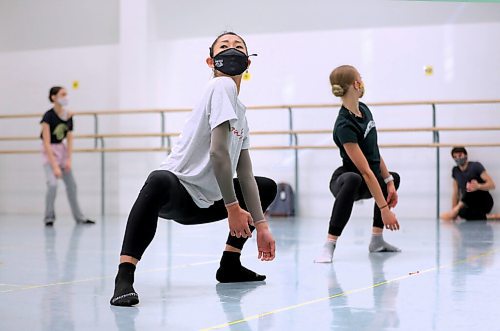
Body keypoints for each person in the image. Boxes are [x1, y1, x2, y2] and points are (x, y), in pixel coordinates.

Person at [110, 32, 277, 306]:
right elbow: (217, 152)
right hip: (179, 193)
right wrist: (233, 207)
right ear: (211, 61)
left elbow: (245, 174)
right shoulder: (220, 87)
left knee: (266, 186)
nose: (232, 50)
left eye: (239, 47)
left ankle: (230, 265)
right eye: (225, 46)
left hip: (208, 200)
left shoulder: (241, 112)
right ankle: (124, 277)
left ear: (248, 62)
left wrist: (262, 226)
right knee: (159, 179)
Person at [315, 65, 401, 263]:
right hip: (346, 181)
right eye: (361, 78)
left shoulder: (364, 109)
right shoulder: (344, 124)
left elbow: (374, 151)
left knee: (394, 177)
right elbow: (365, 171)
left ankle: (377, 241)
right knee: (354, 178)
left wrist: (388, 181)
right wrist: (385, 210)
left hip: (366, 179)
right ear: (356, 84)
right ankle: (329, 244)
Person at [40, 87, 95, 226]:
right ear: (53, 97)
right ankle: (49, 217)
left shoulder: (69, 116)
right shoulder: (48, 116)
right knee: (52, 185)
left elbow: (69, 139)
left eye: (66, 94)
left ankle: (79, 217)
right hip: (50, 154)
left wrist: (69, 159)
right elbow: (46, 142)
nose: (66, 97)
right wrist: (54, 166)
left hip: (62, 152)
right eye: (62, 94)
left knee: (72, 186)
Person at [440, 147, 497, 221]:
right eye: (455, 157)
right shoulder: (455, 170)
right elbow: (455, 192)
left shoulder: (476, 166)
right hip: (470, 204)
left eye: (460, 155)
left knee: (470, 182)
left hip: (484, 201)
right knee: (461, 213)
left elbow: (492, 185)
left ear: (466, 155)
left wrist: (478, 186)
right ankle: (491, 217)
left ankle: (457, 209)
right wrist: (454, 210)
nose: (458, 158)